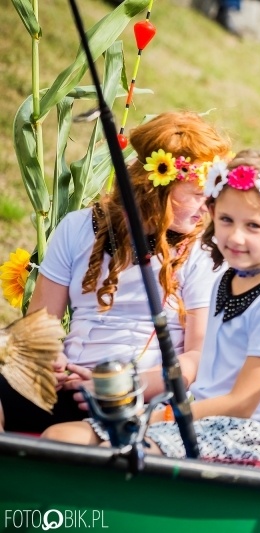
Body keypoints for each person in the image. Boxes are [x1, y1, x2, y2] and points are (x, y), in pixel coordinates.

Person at [43, 150, 260, 472]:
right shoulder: (228, 279)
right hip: (198, 417)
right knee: (61, 437)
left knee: (112, 457)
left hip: (247, 434)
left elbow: (242, 403)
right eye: (227, 220)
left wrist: (159, 415)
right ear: (212, 212)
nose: (236, 236)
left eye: (254, 226)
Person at [0, 111, 231, 434]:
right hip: (68, 382)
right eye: (197, 195)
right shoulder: (78, 228)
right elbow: (41, 323)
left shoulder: (201, 253)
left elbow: (198, 356)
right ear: (159, 186)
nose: (209, 207)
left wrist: (125, 384)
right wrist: (51, 359)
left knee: (68, 433)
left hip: (135, 398)